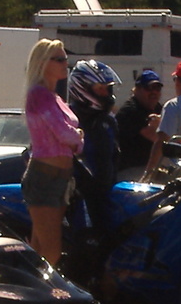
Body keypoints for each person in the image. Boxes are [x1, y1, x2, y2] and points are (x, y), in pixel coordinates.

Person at [22, 40, 82, 266]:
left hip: (60, 178)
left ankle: (31, 284)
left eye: (65, 59)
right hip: (44, 177)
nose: (65, 63)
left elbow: (72, 139)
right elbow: (63, 133)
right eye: (59, 59)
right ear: (42, 63)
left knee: (40, 248)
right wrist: (77, 137)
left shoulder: (56, 98)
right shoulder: (39, 94)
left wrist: (76, 139)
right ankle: (40, 286)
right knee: (51, 250)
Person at [68, 59, 122, 237]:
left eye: (108, 88)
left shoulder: (108, 121)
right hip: (76, 198)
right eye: (100, 89)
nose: (106, 94)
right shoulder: (67, 118)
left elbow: (114, 158)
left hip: (105, 195)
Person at [114, 69, 163, 178]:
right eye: (149, 88)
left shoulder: (158, 108)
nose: (154, 92)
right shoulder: (130, 110)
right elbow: (156, 138)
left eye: (157, 88)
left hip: (150, 167)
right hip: (130, 170)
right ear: (138, 89)